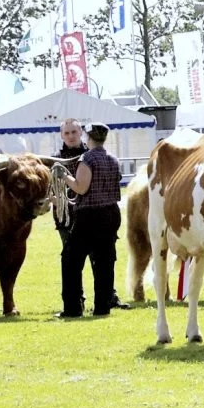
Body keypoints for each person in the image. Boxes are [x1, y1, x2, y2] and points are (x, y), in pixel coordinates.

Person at [57, 123, 126, 317]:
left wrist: (64, 176)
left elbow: (80, 188)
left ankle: (72, 308)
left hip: (89, 215)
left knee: (71, 260)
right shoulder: (113, 159)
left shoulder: (87, 158)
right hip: (111, 213)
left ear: (87, 136)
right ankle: (102, 307)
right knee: (105, 261)